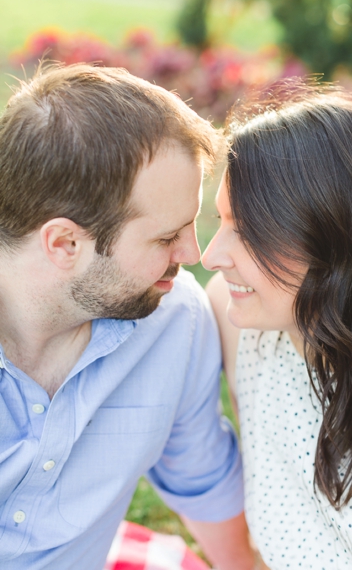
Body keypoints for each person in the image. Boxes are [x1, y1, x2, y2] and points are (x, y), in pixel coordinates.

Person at [0, 64, 264, 569]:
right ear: (65, 243)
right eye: (167, 238)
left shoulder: (173, 320)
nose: (194, 254)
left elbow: (203, 482)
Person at [202, 83, 352, 569]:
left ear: (334, 237)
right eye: (221, 221)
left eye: (248, 231)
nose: (211, 257)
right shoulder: (246, 331)